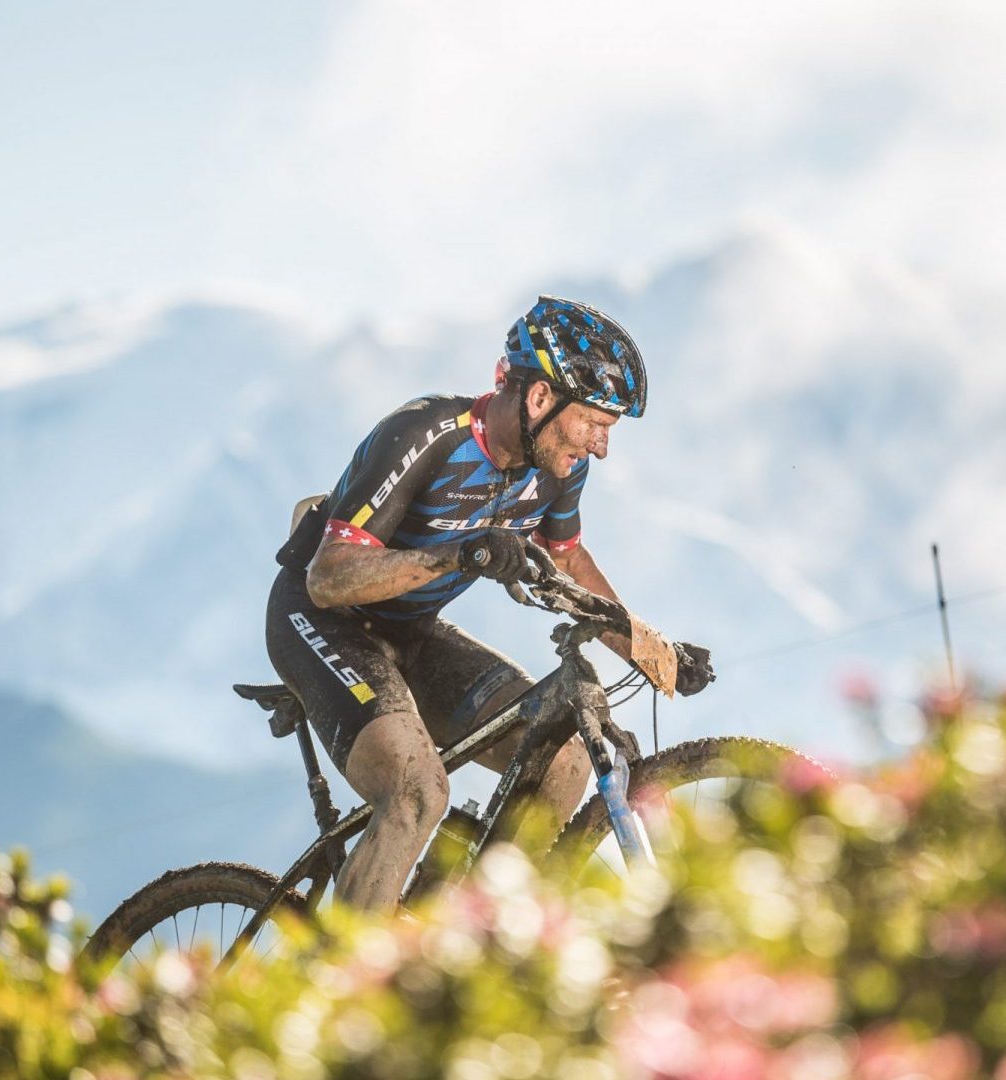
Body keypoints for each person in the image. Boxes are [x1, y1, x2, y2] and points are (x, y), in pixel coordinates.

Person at [265, 295, 714, 912]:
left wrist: (649, 647)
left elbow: (566, 559)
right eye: (594, 423)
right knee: (419, 792)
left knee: (563, 759)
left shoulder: (558, 467)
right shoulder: (425, 433)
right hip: (323, 622)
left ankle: (462, 939)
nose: (602, 447)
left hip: (413, 632)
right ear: (538, 400)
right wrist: (457, 554)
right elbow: (329, 578)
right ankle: (344, 989)